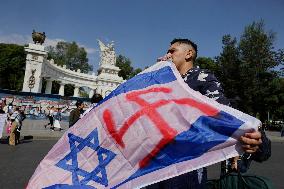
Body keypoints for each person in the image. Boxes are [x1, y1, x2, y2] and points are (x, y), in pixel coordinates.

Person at [146, 38, 267, 189]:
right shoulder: (163, 80)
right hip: (153, 164)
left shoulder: (200, 78)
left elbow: (226, 114)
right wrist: (156, 72)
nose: (168, 54)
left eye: (172, 51)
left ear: (188, 54)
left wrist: (254, 137)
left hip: (184, 168)